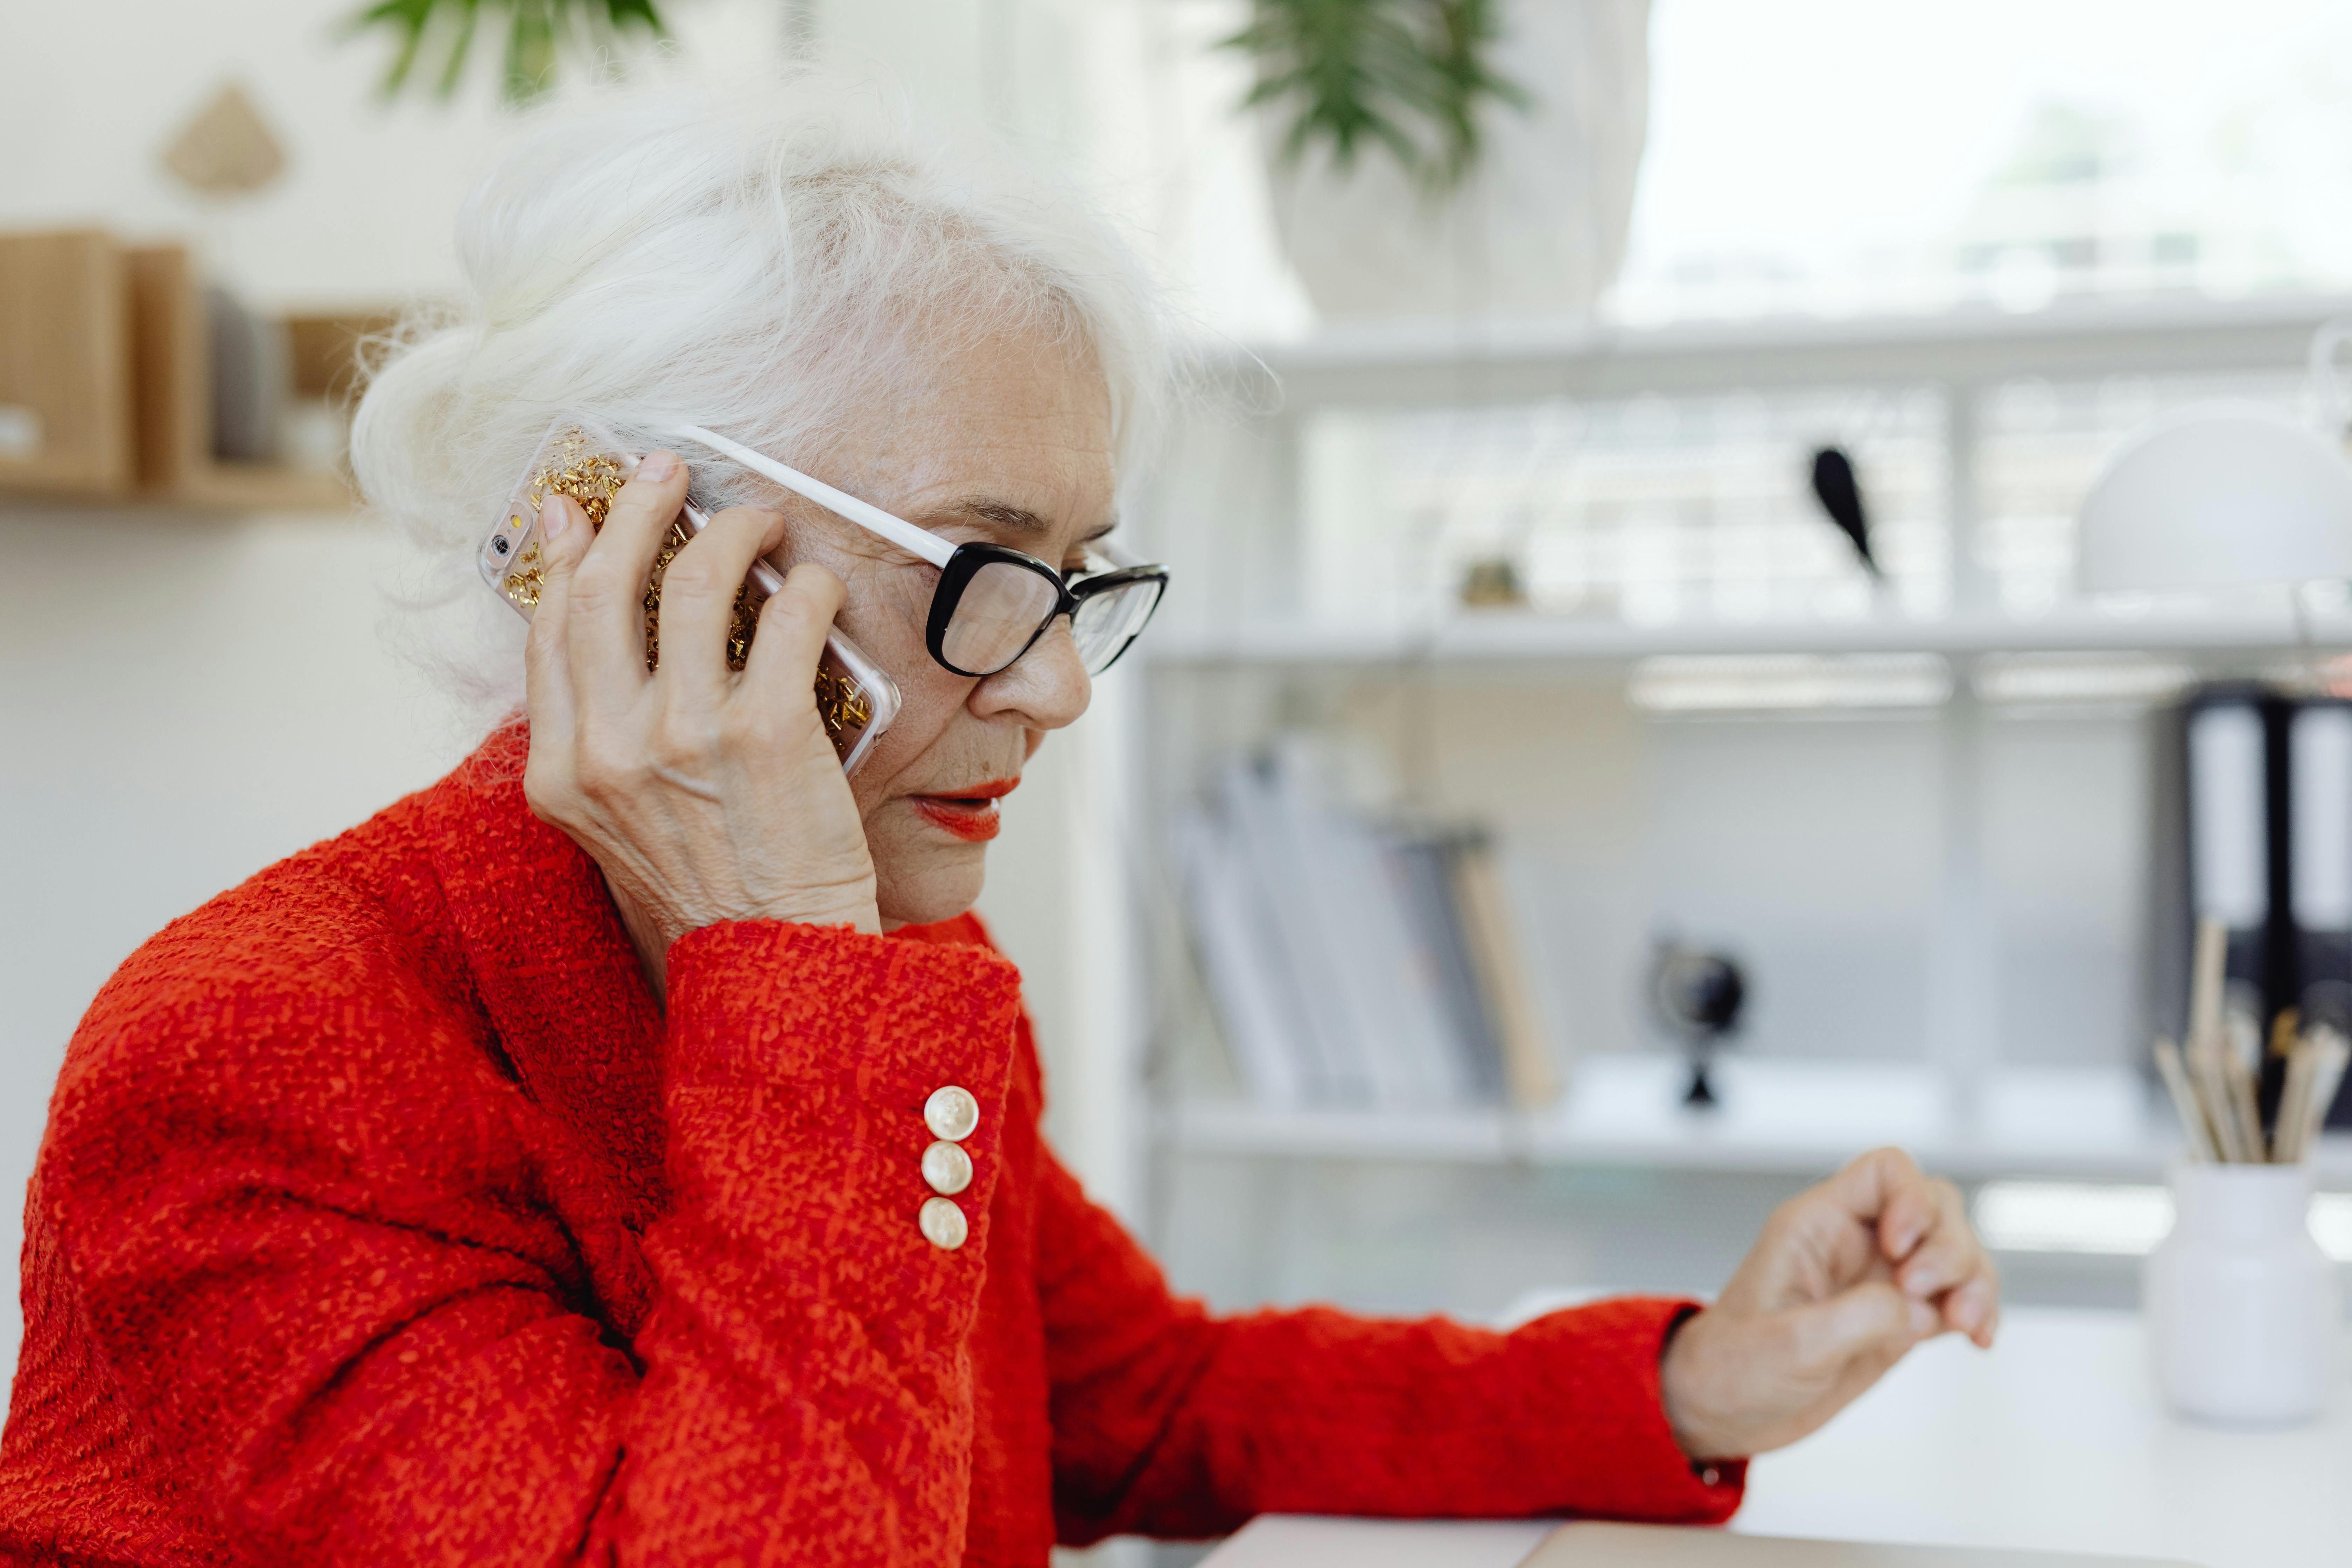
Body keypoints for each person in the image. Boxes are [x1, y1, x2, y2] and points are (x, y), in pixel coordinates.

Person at [0, 82, 1998, 1567]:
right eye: (981, 571)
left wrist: (1679, 1385)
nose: (1055, 685)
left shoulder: (891, 953)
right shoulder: (263, 1058)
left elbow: (1139, 1404)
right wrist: (787, 965)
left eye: (1083, 579)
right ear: (637, 553)